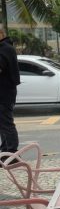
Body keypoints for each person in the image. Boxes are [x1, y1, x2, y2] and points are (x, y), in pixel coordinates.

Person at [0, 26, 20, 156]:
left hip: (4, 93)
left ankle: (12, 153)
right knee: (2, 123)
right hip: (5, 92)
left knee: (6, 123)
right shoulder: (6, 48)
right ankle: (5, 152)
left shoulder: (5, 48)